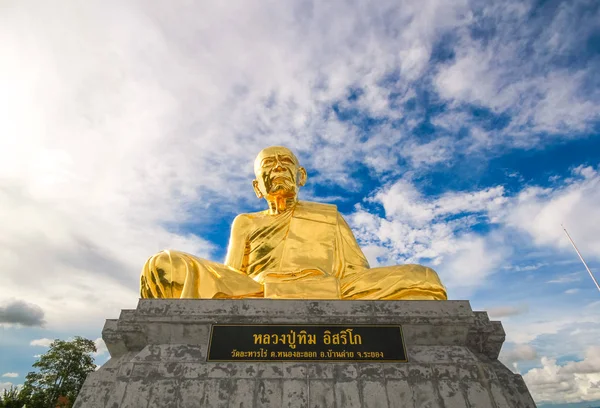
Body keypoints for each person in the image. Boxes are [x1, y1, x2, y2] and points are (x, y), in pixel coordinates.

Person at [140, 146, 447, 300]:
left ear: (301, 176)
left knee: (424, 277)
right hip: (259, 288)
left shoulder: (329, 216)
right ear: (257, 187)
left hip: (331, 287)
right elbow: (233, 275)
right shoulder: (245, 222)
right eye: (268, 165)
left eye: (285, 162)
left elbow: (356, 273)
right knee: (162, 265)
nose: (277, 168)